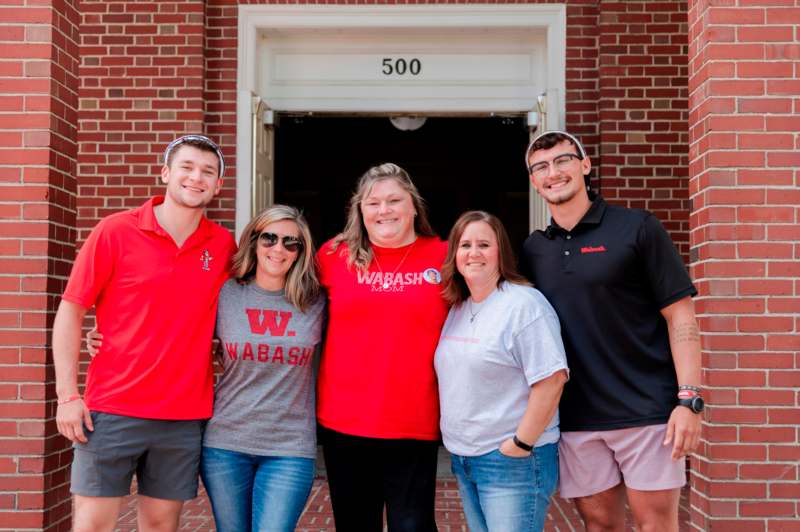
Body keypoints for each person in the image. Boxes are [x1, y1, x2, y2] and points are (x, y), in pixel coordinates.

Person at [520, 131, 703, 532]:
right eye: (541, 167)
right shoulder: (534, 250)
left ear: (585, 166)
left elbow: (682, 317)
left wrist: (689, 401)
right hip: (577, 417)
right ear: (534, 181)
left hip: (646, 411)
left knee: (655, 525)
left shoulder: (636, 228)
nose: (553, 173)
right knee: (599, 526)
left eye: (563, 161)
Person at [53, 135, 236, 532]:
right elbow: (71, 309)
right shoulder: (114, 232)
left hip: (183, 415)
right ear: (166, 173)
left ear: (218, 185)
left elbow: (239, 307)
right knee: (93, 526)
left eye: (208, 172)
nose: (196, 177)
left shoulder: (223, 246)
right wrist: (67, 395)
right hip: (112, 409)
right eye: (187, 167)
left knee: (160, 526)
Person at [316, 162, 448, 531]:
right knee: (355, 524)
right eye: (373, 203)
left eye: (394, 200)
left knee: (413, 525)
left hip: (414, 418)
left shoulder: (444, 256)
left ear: (413, 206)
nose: (384, 210)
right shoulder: (333, 255)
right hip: (344, 419)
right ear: (360, 210)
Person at [435, 210, 569, 532]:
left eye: (484, 244)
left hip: (512, 460)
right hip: (465, 458)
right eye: (465, 245)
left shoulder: (523, 304)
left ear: (501, 253)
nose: (474, 253)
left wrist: (520, 445)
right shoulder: (459, 307)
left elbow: (551, 380)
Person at [200, 205, 325, 531]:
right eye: (269, 238)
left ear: (301, 252)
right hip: (226, 443)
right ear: (254, 241)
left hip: (289, 447)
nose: (278, 249)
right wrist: (106, 337)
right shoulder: (225, 293)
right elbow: (176, 334)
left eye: (290, 242)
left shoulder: (316, 301)